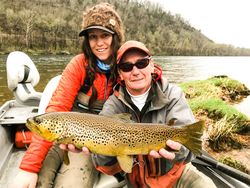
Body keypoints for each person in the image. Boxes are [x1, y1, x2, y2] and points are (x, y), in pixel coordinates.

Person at [13, 3, 124, 188]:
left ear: (116, 37)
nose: (99, 43)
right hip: (58, 138)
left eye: (105, 35)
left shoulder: (127, 68)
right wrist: (29, 168)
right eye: (92, 37)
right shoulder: (79, 64)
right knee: (36, 180)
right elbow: (56, 109)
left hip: (89, 146)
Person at [81, 40, 217, 187]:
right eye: (126, 67)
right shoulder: (113, 106)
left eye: (142, 63)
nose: (135, 71)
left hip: (176, 176)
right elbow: (101, 162)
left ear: (152, 65)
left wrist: (176, 150)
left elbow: (191, 151)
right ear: (120, 74)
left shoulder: (173, 95)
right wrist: (102, 147)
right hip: (137, 182)